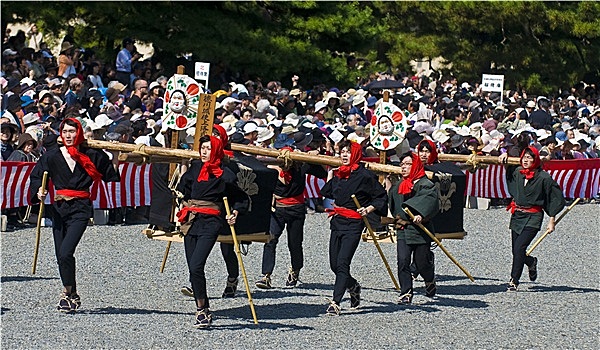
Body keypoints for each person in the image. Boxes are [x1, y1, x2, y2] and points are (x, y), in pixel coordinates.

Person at [29, 118, 120, 313]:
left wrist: (115, 156)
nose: (69, 135)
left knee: (66, 251)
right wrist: (39, 191)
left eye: (72, 131)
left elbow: (110, 176)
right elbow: (36, 176)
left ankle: (66, 292)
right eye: (66, 131)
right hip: (59, 208)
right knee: (60, 254)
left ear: (78, 133)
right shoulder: (52, 156)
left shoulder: (91, 155)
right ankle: (72, 294)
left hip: (80, 208)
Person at [175, 135, 249, 328]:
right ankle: (204, 307)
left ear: (216, 150)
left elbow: (240, 198)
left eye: (208, 148)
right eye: (202, 148)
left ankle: (201, 310)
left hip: (211, 221)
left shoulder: (226, 174)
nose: (204, 151)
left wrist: (235, 212)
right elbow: (183, 189)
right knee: (193, 267)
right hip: (192, 220)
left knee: (197, 265)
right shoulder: (195, 169)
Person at [320, 140, 387, 315]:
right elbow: (326, 192)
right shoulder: (340, 174)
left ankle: (335, 302)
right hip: (337, 222)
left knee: (343, 263)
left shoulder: (365, 176)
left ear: (355, 154)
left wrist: (369, 209)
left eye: (348, 152)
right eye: (342, 151)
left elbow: (381, 197)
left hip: (354, 223)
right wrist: (332, 175)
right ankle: (353, 286)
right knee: (334, 265)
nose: (344, 155)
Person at [255, 137, 327, 289]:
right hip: (277, 209)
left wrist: (312, 158)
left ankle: (295, 270)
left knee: (294, 243)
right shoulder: (270, 167)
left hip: (296, 208)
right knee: (270, 239)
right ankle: (266, 275)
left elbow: (321, 174)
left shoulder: (301, 165)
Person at [499, 147, 565, 291]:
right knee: (516, 251)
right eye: (525, 158)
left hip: (533, 216)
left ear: (535, 160)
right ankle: (530, 261)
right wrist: (505, 158)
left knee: (519, 248)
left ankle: (513, 280)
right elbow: (508, 171)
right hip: (517, 215)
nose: (526, 160)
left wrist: (551, 219)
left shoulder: (544, 178)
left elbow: (553, 198)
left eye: (530, 158)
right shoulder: (517, 172)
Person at [388, 151, 440, 304]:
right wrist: (389, 186)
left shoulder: (426, 184)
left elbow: (430, 202)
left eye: (408, 164)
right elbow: (393, 204)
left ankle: (429, 279)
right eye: (402, 164)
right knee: (403, 260)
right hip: (403, 228)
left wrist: (421, 214)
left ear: (416, 165)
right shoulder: (399, 185)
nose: (403, 167)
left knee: (421, 262)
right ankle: (406, 292)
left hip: (420, 229)